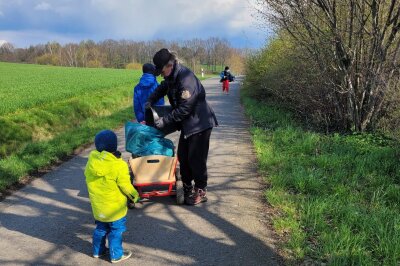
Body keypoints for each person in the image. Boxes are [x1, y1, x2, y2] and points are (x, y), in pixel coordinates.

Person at [145, 48, 218, 205]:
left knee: (196, 159)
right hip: (188, 124)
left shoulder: (186, 80)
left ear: (170, 65)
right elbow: (163, 87)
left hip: (200, 124)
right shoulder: (172, 76)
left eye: (162, 70)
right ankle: (186, 187)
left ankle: (201, 190)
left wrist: (165, 121)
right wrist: (150, 99)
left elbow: (184, 109)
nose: (161, 73)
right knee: (183, 157)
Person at [84, 129, 139, 263]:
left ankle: (98, 251)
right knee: (116, 230)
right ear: (114, 146)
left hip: (99, 207)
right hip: (115, 208)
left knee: (101, 228)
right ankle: (116, 255)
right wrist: (135, 196)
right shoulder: (118, 165)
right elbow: (125, 186)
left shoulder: (91, 162)